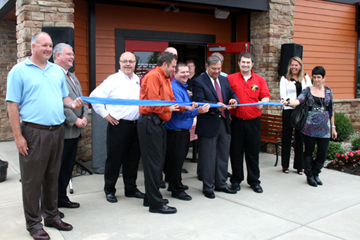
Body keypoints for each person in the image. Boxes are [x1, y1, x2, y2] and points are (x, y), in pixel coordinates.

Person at [6, 32, 84, 240]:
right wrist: (18, 136)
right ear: (33, 46)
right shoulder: (19, 71)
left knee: (52, 176)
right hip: (33, 132)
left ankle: (51, 216)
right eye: (44, 46)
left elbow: (63, 97)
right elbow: (12, 105)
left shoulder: (56, 71)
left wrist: (72, 103)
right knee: (32, 180)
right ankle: (33, 223)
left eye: (50, 46)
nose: (49, 49)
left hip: (56, 131)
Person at [138, 52, 195, 214]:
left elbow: (171, 101)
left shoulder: (164, 78)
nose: (173, 70)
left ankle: (150, 197)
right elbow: (153, 102)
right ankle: (155, 204)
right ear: (165, 64)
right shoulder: (153, 76)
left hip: (158, 122)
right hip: (150, 122)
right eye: (172, 67)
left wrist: (186, 107)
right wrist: (167, 108)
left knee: (157, 163)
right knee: (153, 164)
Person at [90, 52, 145, 203]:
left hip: (135, 126)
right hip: (119, 126)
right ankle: (109, 190)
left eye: (131, 61)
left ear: (135, 63)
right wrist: (106, 115)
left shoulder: (137, 80)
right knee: (114, 159)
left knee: (133, 159)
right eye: (125, 61)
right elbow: (94, 97)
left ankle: (131, 188)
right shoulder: (112, 80)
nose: (128, 64)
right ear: (119, 63)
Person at [281, 66, 337, 187]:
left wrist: (333, 127)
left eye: (319, 77)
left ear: (324, 78)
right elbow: (298, 100)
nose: (316, 80)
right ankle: (309, 175)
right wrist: (288, 102)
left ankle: (316, 173)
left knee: (322, 153)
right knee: (308, 152)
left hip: (325, 128)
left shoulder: (328, 91)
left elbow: (331, 110)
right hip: (309, 127)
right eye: (315, 77)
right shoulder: (307, 90)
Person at [192, 55, 238, 199]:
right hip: (208, 125)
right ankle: (208, 187)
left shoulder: (224, 80)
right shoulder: (198, 81)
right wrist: (215, 107)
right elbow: (200, 100)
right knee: (208, 158)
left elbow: (230, 93)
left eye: (219, 68)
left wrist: (233, 99)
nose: (217, 71)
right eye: (214, 69)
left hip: (224, 123)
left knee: (223, 156)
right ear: (207, 67)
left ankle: (221, 184)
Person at [165, 63, 210, 201]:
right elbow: (180, 113)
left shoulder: (183, 88)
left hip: (182, 131)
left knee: (177, 161)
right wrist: (198, 111)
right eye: (182, 72)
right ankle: (176, 189)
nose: (185, 75)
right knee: (175, 161)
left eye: (187, 72)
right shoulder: (175, 89)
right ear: (175, 73)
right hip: (176, 131)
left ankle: (175, 184)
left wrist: (193, 108)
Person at [228, 52, 270, 194]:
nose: (245, 65)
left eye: (248, 62)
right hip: (236, 122)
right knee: (236, 152)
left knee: (253, 153)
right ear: (239, 63)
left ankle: (254, 181)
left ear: (252, 64)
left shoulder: (260, 80)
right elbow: (225, 95)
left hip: (253, 123)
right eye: (243, 62)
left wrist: (262, 103)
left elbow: (266, 96)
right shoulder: (230, 79)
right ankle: (236, 180)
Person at [53, 43, 89, 210]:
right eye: (68, 54)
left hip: (75, 132)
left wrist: (84, 116)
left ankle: (62, 198)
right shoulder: (53, 75)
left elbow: (82, 100)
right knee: (58, 169)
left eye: (73, 54)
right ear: (57, 56)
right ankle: (53, 201)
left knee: (67, 167)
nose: (72, 57)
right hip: (64, 131)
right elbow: (59, 103)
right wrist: (75, 120)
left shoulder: (72, 77)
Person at [279, 56, 312, 175]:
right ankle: (285, 165)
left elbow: (309, 93)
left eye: (296, 65)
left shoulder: (306, 77)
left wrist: (300, 105)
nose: (294, 67)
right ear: (289, 66)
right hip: (289, 110)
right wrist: (293, 104)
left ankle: (299, 166)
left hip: (301, 111)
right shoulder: (284, 78)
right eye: (292, 65)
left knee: (300, 138)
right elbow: (283, 96)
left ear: (300, 66)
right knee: (287, 138)